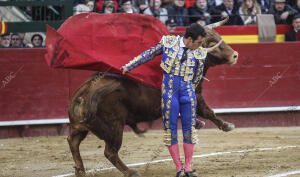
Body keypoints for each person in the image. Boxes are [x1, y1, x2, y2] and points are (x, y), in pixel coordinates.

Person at [121, 23, 208, 177]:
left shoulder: (200, 53)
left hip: (187, 93)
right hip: (170, 93)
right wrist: (130, 65)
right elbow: (149, 54)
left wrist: (189, 92)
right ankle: (178, 168)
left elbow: (197, 78)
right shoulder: (168, 43)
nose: (201, 45)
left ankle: (188, 168)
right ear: (189, 39)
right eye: (199, 42)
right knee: (171, 130)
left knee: (189, 130)